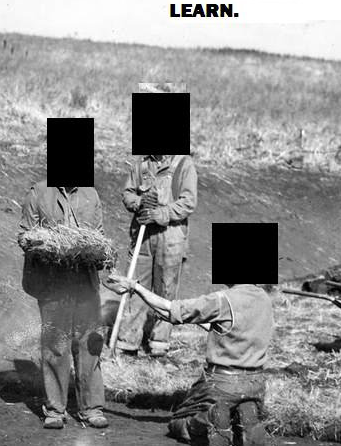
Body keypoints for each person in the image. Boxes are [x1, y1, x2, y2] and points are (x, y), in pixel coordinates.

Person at [107, 275, 274, 446]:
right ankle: (245, 412)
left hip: (223, 383)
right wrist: (190, 318)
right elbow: (228, 327)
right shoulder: (264, 299)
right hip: (256, 383)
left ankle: (210, 417)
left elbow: (171, 308)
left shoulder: (222, 299)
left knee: (178, 423)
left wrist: (135, 287)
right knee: (234, 415)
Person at [19, 183, 108, 429]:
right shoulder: (38, 192)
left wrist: (97, 251)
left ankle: (91, 408)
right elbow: (24, 235)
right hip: (53, 281)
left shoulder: (91, 194)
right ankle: (55, 409)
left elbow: (99, 235)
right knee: (55, 345)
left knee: (90, 344)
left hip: (85, 281)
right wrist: (49, 244)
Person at [116, 154, 198, 357]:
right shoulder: (142, 164)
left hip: (170, 236)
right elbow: (127, 193)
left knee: (165, 289)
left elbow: (188, 202)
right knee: (134, 286)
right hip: (142, 234)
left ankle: (159, 344)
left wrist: (159, 214)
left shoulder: (183, 164)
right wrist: (140, 201)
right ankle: (127, 343)